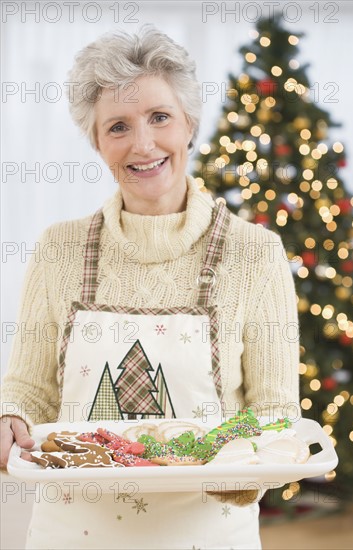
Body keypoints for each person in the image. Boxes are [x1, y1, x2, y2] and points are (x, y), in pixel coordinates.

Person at [0, 26, 299, 549]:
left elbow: (275, 412)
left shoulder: (255, 253)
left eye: (159, 117)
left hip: (208, 533)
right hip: (73, 534)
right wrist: (11, 416)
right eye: (118, 126)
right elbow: (29, 388)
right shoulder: (59, 249)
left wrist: (236, 468)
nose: (143, 145)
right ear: (97, 142)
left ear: (189, 124)